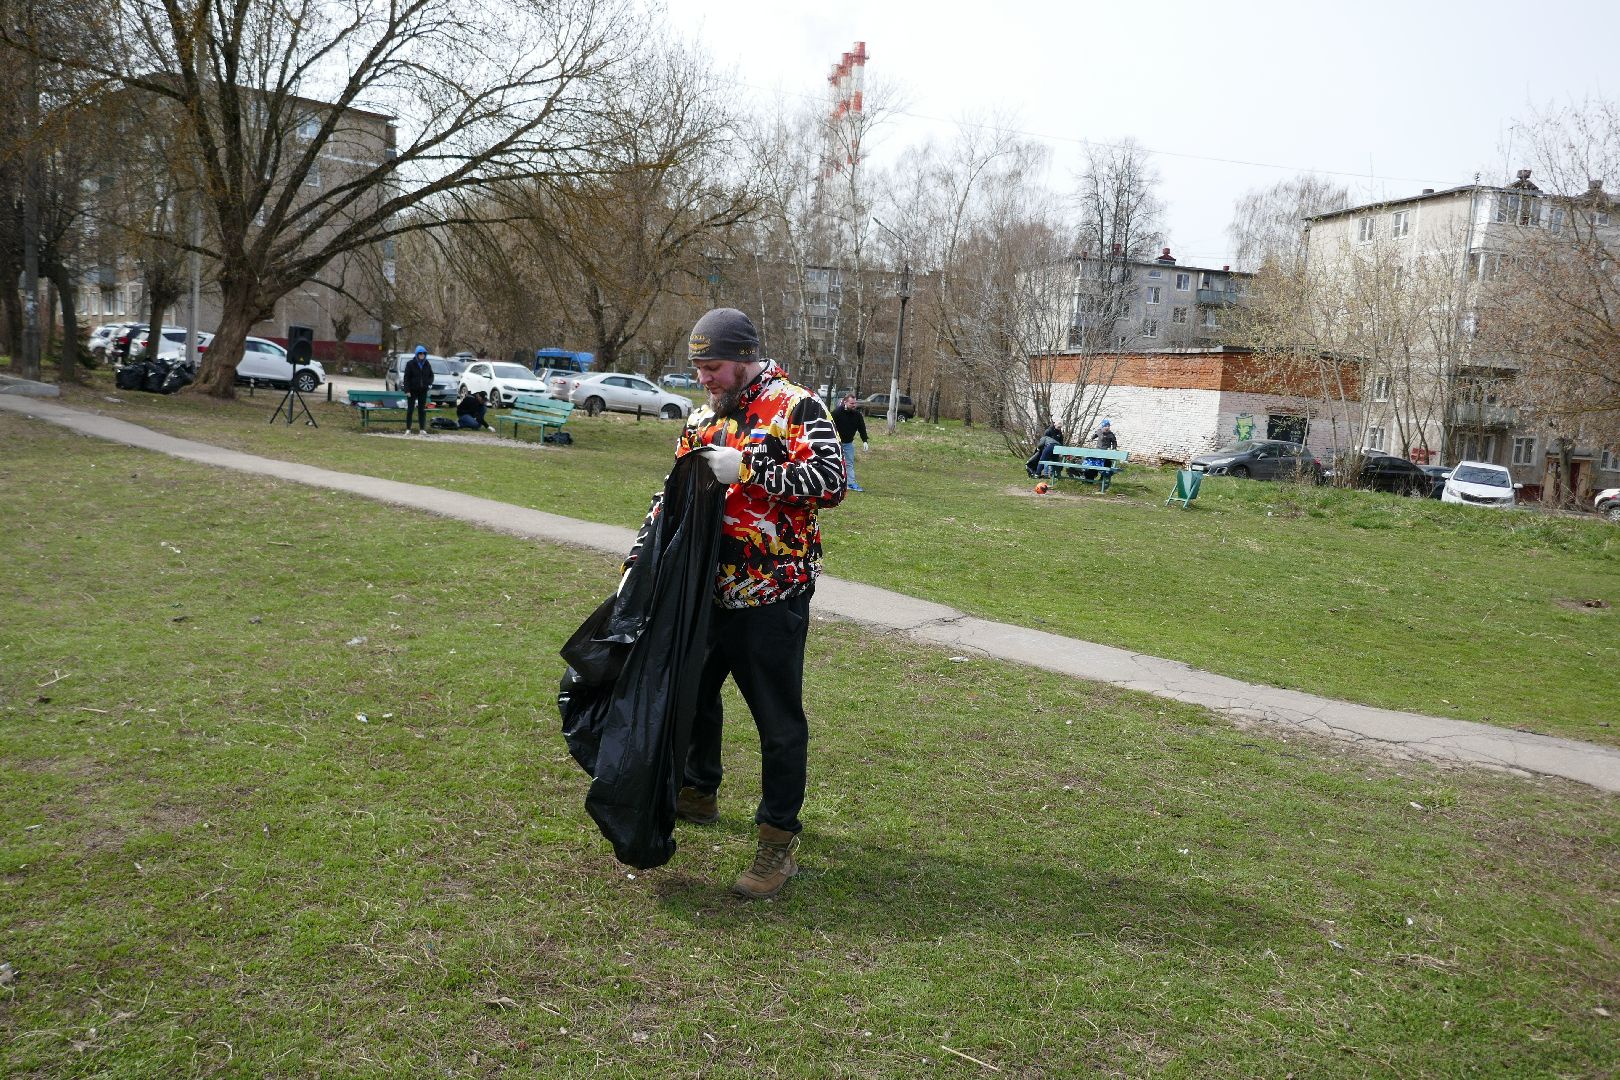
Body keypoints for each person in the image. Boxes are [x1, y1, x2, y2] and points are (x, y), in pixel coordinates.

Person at [625, 306, 845, 899]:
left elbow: (832, 483)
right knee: (692, 693)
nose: (705, 378)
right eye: (698, 368)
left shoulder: (796, 406)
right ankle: (698, 788)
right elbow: (668, 495)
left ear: (744, 358)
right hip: (704, 589)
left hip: (772, 592)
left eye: (714, 366)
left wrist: (748, 468)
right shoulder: (702, 417)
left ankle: (777, 843)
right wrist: (638, 560)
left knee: (777, 721)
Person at [830, 394, 870, 491]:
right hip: (836, 443)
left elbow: (862, 428)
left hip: (848, 444)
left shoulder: (857, 415)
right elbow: (828, 426)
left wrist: (865, 440)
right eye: (852, 403)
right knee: (833, 463)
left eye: (855, 403)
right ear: (845, 402)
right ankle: (832, 483)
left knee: (849, 463)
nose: (854, 405)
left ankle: (851, 484)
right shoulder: (836, 413)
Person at [403, 345, 434, 435]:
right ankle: (408, 429)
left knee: (422, 410)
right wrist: (407, 390)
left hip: (423, 390)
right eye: (420, 353)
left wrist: (429, 383)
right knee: (410, 410)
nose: (422, 355)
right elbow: (406, 378)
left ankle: (422, 429)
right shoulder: (410, 364)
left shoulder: (427, 363)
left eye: (423, 353)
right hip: (412, 390)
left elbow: (431, 375)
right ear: (417, 354)